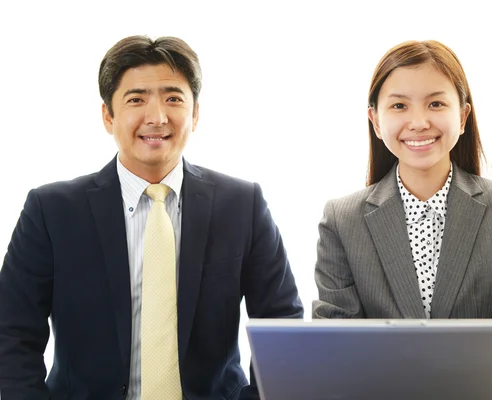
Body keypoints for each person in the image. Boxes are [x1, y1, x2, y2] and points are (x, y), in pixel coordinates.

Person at [0, 35, 303, 399]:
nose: (157, 117)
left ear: (195, 114)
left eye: (173, 98)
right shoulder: (51, 211)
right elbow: (12, 332)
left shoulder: (243, 205)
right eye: (136, 99)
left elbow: (282, 324)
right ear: (107, 116)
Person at [312, 40, 492, 320]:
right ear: (375, 121)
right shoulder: (342, 221)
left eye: (436, 103)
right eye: (399, 105)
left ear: (462, 116)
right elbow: (336, 346)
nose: (419, 122)